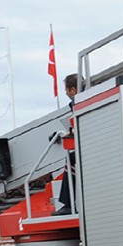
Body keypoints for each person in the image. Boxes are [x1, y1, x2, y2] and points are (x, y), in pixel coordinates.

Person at [55, 73, 79, 215]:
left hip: (95, 147)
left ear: (73, 90)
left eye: (66, 90)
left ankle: (68, 203)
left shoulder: (79, 103)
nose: (66, 93)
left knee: (71, 160)